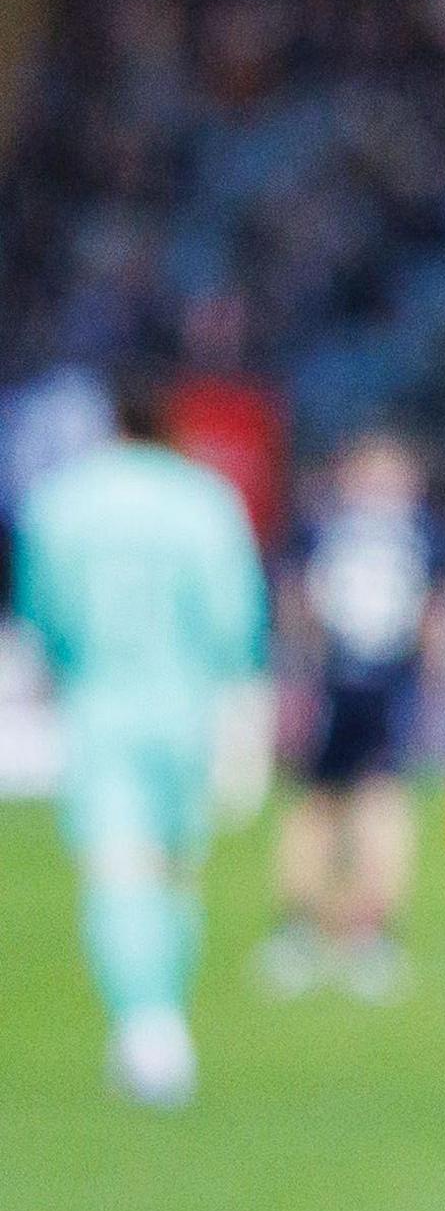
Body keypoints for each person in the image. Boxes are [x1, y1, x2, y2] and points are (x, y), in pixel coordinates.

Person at [13, 370, 270, 1107]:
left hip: (104, 702)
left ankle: (145, 1024)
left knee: (116, 868)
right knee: (176, 868)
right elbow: (234, 615)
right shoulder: (203, 499)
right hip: (186, 706)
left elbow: (44, 613)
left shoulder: (65, 500)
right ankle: (167, 1019)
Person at [259, 428, 445, 1002]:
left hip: (341, 678)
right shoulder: (417, 532)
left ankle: (319, 931)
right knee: (359, 803)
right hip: (378, 682)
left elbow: (296, 601)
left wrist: (298, 671)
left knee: (336, 804)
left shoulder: (329, 526)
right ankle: (361, 935)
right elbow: (442, 613)